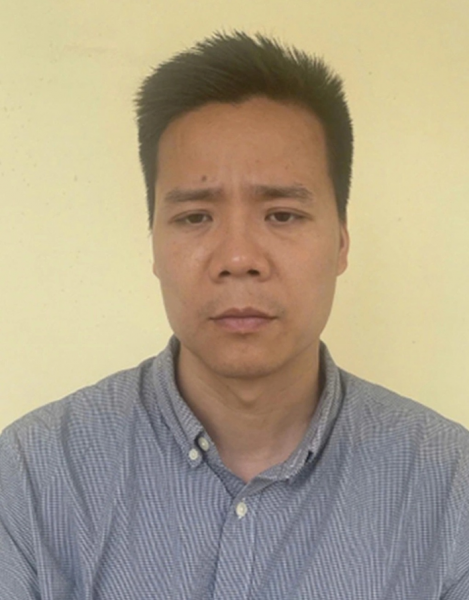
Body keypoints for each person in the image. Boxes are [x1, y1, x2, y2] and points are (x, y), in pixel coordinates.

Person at [1, 31, 468, 600]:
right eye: (196, 218)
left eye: (283, 215)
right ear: (154, 246)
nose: (239, 258)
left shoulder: (450, 488)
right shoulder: (32, 476)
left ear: (342, 244)